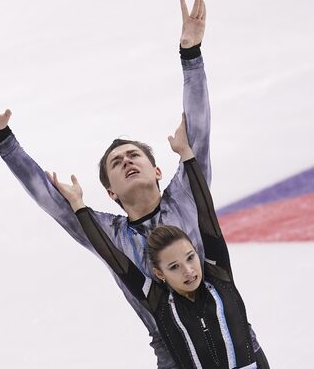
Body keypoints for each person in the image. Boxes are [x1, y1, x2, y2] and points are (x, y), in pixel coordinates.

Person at [0, 0, 261, 368]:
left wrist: (191, 55)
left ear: (158, 170)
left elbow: (197, 133)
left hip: (241, 347)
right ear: (110, 191)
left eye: (135, 155)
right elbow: (49, 198)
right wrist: (4, 141)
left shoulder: (185, 198)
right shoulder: (107, 234)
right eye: (117, 163)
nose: (128, 160)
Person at [53, 115, 270, 368]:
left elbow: (207, 213)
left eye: (190, 258)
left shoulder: (219, 276)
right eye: (175, 266)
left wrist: (188, 153)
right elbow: (114, 258)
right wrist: (79, 207)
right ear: (159, 274)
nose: (188, 270)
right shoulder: (159, 304)